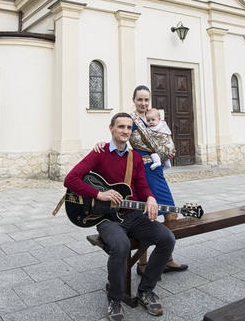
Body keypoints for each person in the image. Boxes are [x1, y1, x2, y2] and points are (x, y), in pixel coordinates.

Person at [64, 113, 175, 321]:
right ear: (111, 128)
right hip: (107, 218)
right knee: (121, 246)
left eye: (128, 128)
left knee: (167, 238)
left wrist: (150, 198)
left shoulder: (135, 158)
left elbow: (141, 185)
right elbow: (70, 179)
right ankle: (115, 299)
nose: (125, 131)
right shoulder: (99, 152)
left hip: (133, 214)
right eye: (120, 127)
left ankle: (145, 290)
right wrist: (99, 194)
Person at [94, 85, 188, 275]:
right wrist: (102, 144)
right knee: (145, 215)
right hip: (141, 170)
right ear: (133, 100)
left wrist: (168, 151)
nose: (143, 103)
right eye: (140, 100)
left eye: (146, 100)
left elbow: (163, 141)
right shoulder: (133, 120)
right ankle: (143, 264)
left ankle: (167, 258)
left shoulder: (154, 120)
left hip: (157, 170)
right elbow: (120, 136)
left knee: (171, 215)